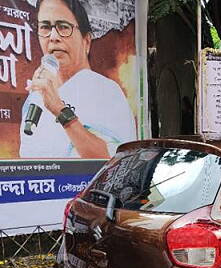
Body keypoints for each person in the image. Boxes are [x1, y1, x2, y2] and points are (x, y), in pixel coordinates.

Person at [20, 0, 136, 158]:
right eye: (45, 27)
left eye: (63, 27)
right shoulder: (35, 98)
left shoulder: (106, 91)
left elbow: (111, 162)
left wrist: (60, 111)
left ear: (86, 41)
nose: (53, 37)